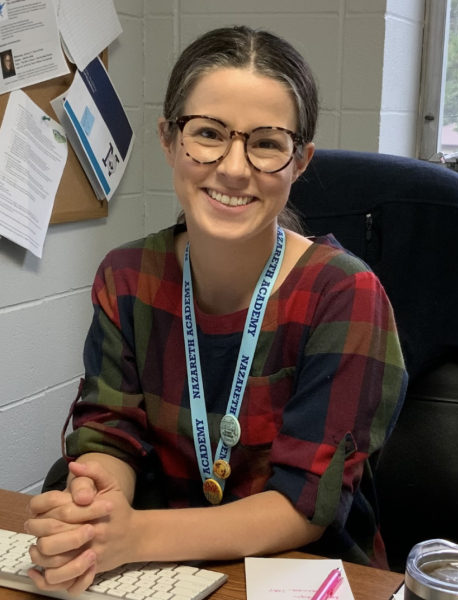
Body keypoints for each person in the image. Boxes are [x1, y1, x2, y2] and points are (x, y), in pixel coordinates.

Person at [25, 26, 408, 596]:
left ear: (299, 161)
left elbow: (305, 504)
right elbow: (109, 435)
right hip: (162, 573)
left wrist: (133, 537)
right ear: (169, 139)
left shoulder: (344, 294)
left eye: (267, 143)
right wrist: (94, 507)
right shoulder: (126, 277)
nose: (232, 168)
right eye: (207, 134)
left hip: (303, 572)